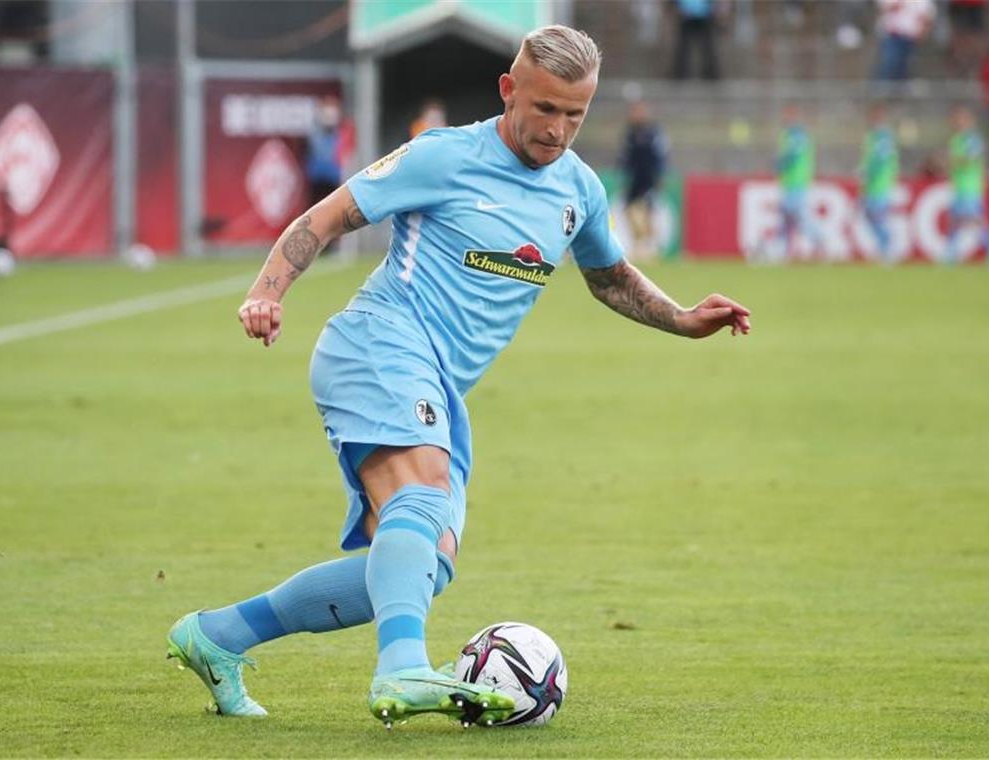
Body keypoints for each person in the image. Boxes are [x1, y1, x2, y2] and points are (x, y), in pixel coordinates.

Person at [166, 25, 751, 729]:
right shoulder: (443, 156)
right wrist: (267, 292)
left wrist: (684, 319)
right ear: (510, 90)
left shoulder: (578, 190)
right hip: (379, 343)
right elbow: (324, 220)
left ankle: (219, 636)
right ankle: (402, 667)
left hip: (440, 386)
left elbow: (610, 279)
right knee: (423, 493)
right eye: (545, 109)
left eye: (575, 114)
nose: (558, 129)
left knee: (422, 564)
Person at [762, 103, 822, 261]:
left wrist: (779, 164)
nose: (785, 117)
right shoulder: (790, 133)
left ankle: (819, 240)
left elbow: (792, 155)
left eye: (788, 114)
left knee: (797, 216)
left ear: (794, 115)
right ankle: (781, 249)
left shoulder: (796, 134)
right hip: (791, 182)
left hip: (797, 182)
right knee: (788, 217)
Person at [619, 99, 669, 260]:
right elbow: (625, 158)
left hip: (648, 179)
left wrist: (659, 176)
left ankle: (651, 246)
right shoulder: (630, 134)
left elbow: (660, 156)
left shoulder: (653, 133)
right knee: (628, 211)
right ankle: (639, 243)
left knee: (648, 213)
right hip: (634, 180)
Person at [946, 106, 989, 262]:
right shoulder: (956, 139)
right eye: (955, 119)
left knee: (973, 220)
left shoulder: (972, 139)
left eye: (960, 119)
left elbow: (970, 159)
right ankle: (950, 254)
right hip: (960, 186)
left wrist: (955, 160)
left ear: (968, 121)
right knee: (956, 220)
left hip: (970, 187)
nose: (956, 122)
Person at [859, 102, 899, 261]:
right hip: (871, 184)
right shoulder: (872, 136)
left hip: (880, 183)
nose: (874, 120)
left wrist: (869, 172)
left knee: (877, 216)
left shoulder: (883, 136)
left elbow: (882, 159)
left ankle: (888, 245)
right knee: (870, 215)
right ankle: (885, 245)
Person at [873, 0, 936, 82]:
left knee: (906, 67)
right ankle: (882, 87)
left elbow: (928, 16)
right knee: (890, 63)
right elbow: (884, 7)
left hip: (912, 38)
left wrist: (923, 32)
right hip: (893, 37)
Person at [672, 0, 720, 81]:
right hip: (687, 16)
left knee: (707, 49)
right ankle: (681, 74)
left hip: (703, 16)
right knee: (683, 49)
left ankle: (711, 74)